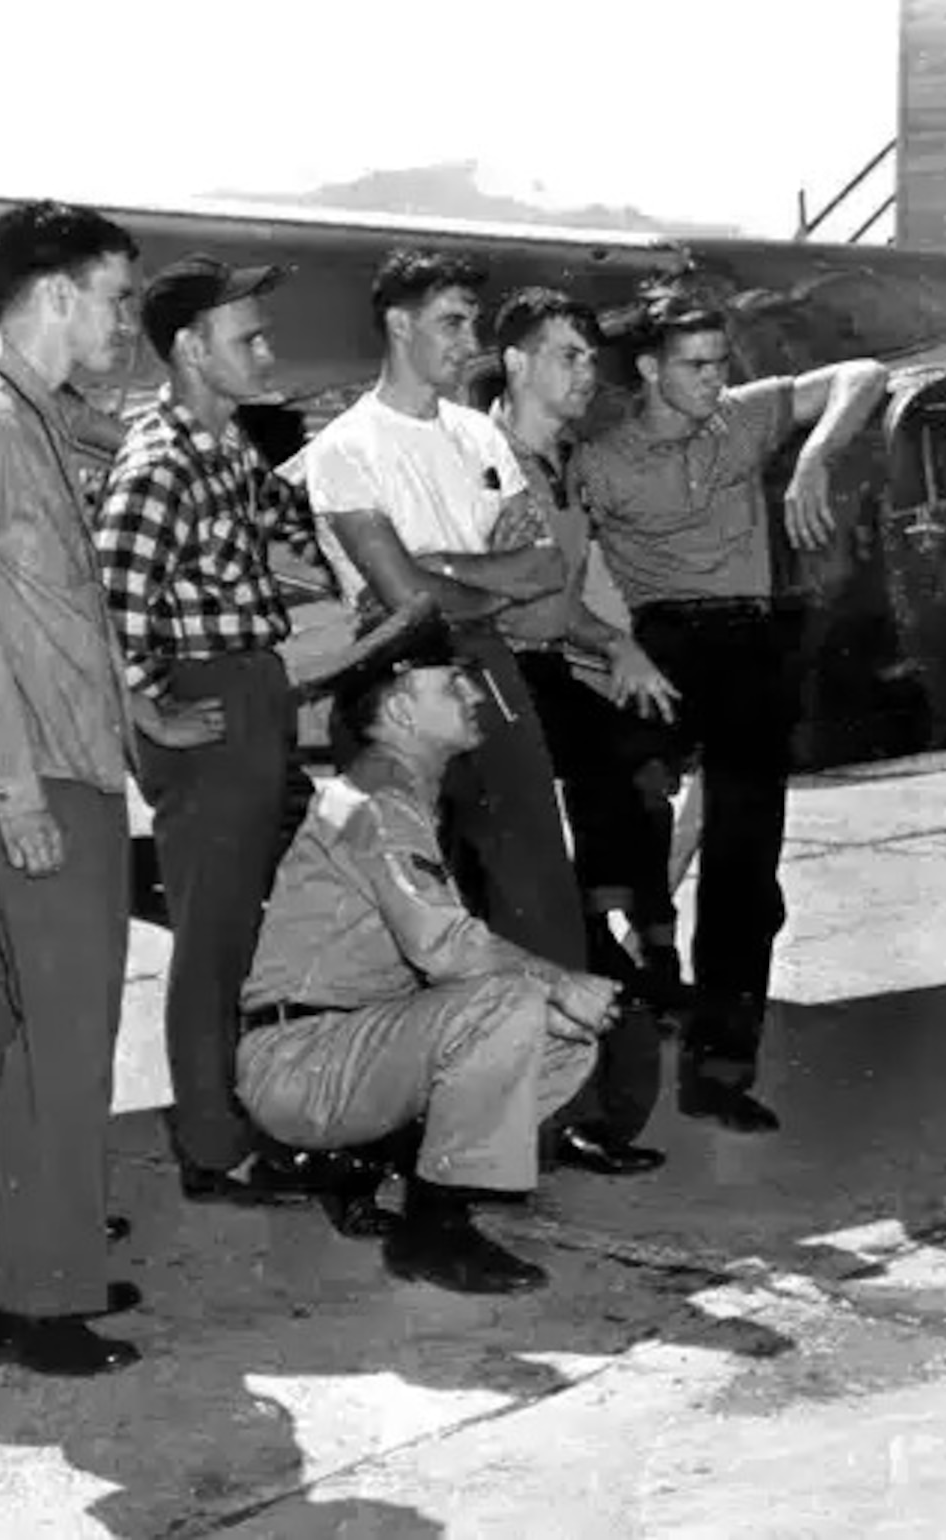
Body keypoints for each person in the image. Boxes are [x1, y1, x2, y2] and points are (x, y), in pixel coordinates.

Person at [0, 199, 187, 1377]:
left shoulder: (25, 417)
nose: (128, 322)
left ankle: (12, 1254)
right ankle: (38, 1290)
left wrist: (129, 717)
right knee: (68, 1032)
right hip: (16, 763)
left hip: (51, 755)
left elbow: (54, 611)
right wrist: (20, 788)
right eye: (119, 297)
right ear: (59, 295)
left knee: (24, 1021)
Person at [571, 287, 887, 1133]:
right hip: (659, 646)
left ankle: (720, 1068)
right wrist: (614, 646)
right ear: (648, 368)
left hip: (752, 648)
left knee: (748, 872)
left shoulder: (742, 419)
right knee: (613, 795)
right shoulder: (599, 461)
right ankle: (637, 946)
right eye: (696, 366)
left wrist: (816, 456)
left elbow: (862, 374)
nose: (716, 379)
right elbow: (562, 567)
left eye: (720, 362)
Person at [238, 598, 613, 1294]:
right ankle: (434, 1233)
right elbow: (444, 946)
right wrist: (558, 981)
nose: (474, 693)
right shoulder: (379, 804)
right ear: (404, 709)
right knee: (511, 1006)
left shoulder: (392, 791)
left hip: (339, 1043)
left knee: (563, 1040)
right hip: (304, 1058)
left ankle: (362, 1161)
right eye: (454, 683)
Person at [94, 253, 329, 1206]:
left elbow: (280, 513)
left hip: (251, 691)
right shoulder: (160, 463)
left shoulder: (225, 448)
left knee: (248, 931)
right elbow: (111, 597)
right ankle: (209, 1144)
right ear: (191, 349)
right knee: (215, 938)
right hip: (211, 700)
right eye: (250, 338)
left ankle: (237, 1119)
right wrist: (149, 707)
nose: (269, 351)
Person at [296, 249, 587, 988]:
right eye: (451, 323)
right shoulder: (343, 448)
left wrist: (441, 567)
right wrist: (477, 578)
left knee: (535, 878)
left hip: (487, 668)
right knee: (412, 895)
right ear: (399, 324)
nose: (469, 342)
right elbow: (407, 600)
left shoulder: (481, 436)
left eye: (474, 324)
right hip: (391, 677)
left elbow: (543, 566)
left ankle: (552, 1076)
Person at [487, 286, 678, 1175]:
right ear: (517, 363)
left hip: (543, 666)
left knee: (643, 756)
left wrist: (619, 645)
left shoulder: (556, 461)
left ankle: (617, 921)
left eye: (589, 359)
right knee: (515, 901)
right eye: (567, 355)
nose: (585, 375)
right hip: (486, 678)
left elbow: (556, 603)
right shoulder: (477, 458)